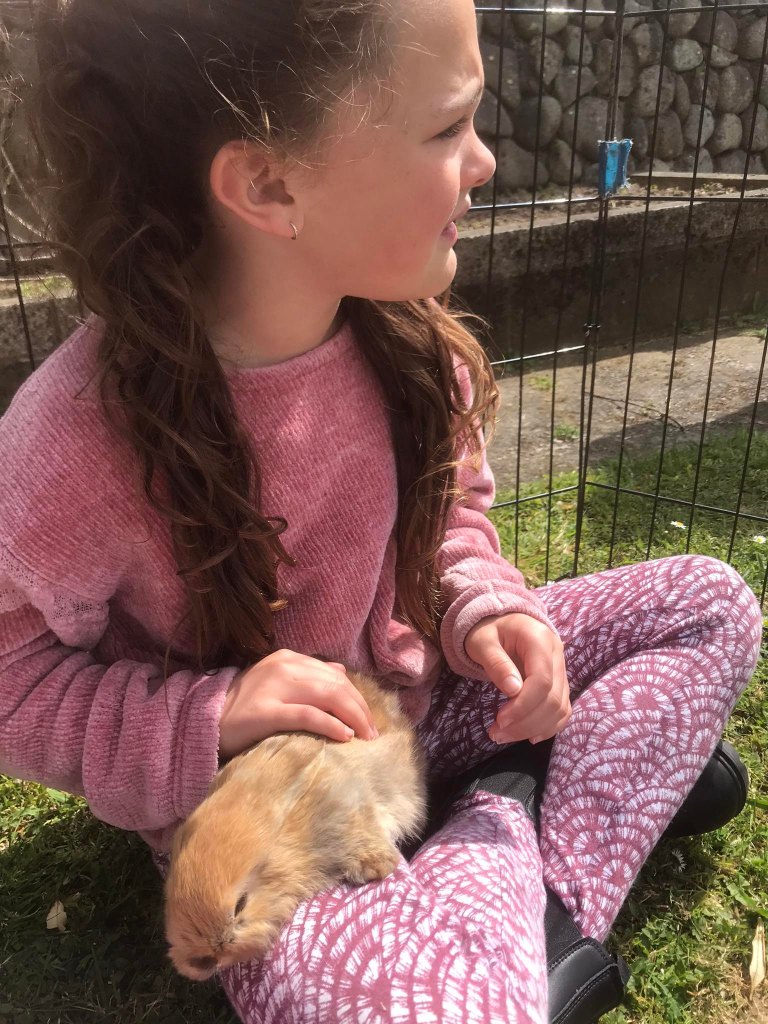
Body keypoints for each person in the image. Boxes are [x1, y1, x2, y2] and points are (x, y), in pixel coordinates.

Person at [0, 0, 762, 1021]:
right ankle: (529, 834)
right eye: (447, 127)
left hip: (426, 715)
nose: (485, 161)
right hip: (278, 821)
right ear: (270, 184)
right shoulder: (71, 443)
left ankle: (510, 859)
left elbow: (452, 520)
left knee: (710, 603)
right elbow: (11, 680)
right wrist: (211, 717)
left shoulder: (410, 342)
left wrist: (487, 609)